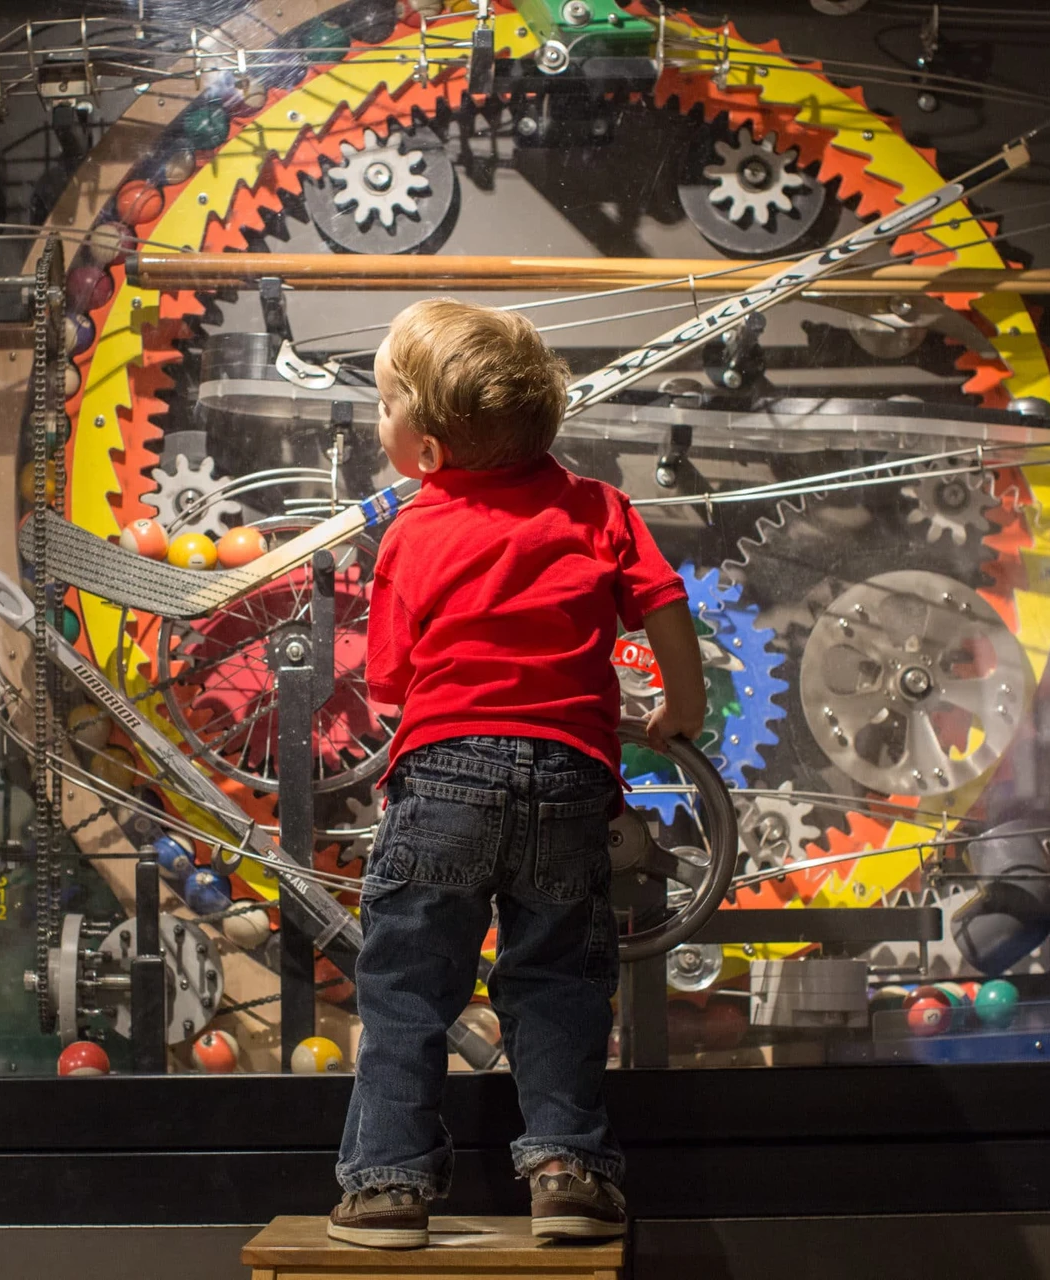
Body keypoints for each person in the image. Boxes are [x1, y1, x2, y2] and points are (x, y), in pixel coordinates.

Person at [328, 299, 709, 1247]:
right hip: (572, 781)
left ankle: (387, 1187)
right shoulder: (599, 507)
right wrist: (683, 707)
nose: (377, 420)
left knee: (409, 985)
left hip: (443, 776)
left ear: (425, 450)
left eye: (383, 404)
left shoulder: (414, 530)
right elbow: (665, 605)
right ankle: (568, 1174)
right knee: (556, 984)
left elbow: (389, 680)